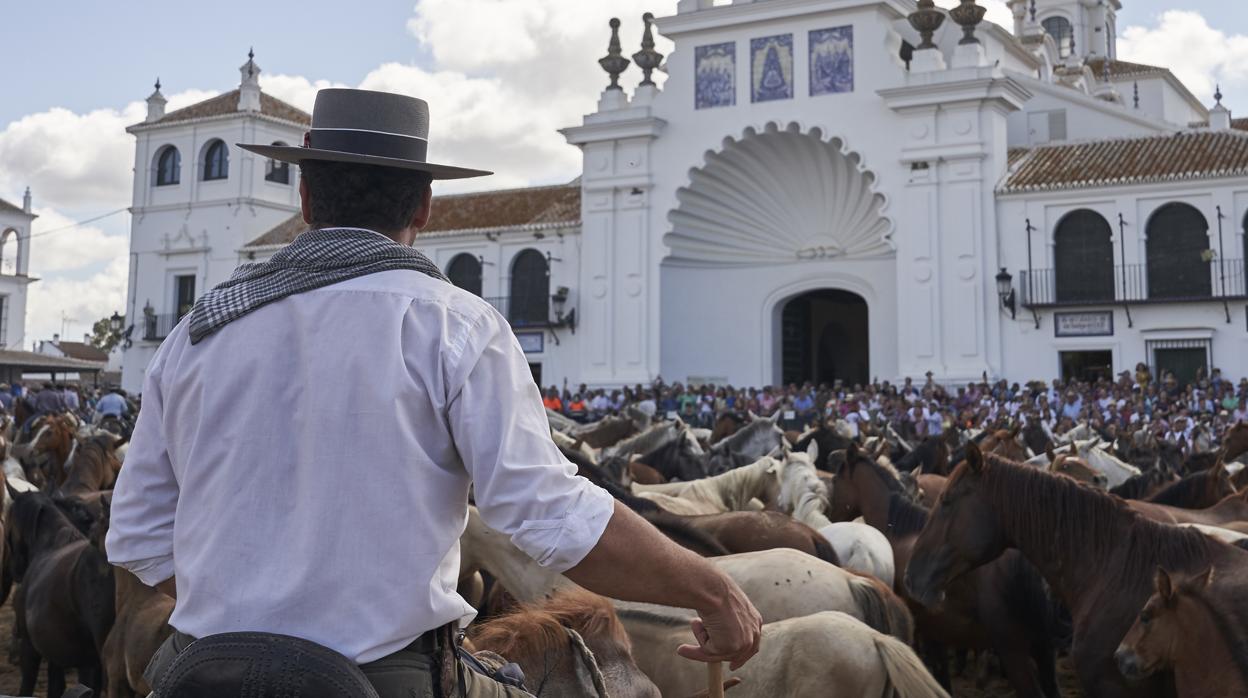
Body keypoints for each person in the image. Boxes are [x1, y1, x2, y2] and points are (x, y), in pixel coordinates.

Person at [107, 89, 760, 698]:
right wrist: (711, 589)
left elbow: (136, 534)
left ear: (304, 198)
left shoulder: (198, 332)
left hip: (206, 667)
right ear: (423, 206)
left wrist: (245, 608)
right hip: (387, 675)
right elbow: (551, 515)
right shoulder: (454, 326)